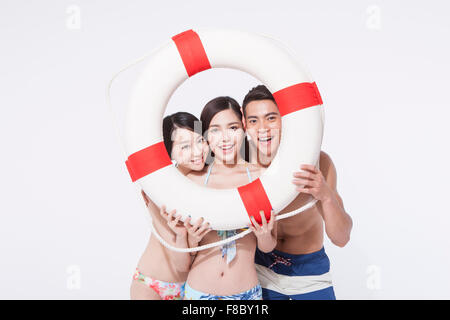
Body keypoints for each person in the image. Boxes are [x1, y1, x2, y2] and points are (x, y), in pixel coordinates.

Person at [242, 85, 353, 300]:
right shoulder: (239, 163)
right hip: (260, 267)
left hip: (308, 270)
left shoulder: (317, 161)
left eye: (271, 118)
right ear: (245, 124)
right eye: (254, 120)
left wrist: (325, 195)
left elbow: (342, 238)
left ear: (285, 120)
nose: (262, 128)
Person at [183, 96, 277, 300]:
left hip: (246, 294)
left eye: (232, 128)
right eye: (215, 130)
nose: (224, 138)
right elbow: (187, 252)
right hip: (198, 292)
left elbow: (268, 246)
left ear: (243, 129)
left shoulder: (261, 177)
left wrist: (263, 234)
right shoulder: (194, 180)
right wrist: (193, 237)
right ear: (205, 135)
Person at [130, 112, 211, 300]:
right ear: (168, 152)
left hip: (195, 288)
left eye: (200, 141)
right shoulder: (159, 188)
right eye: (185, 146)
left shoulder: (211, 180)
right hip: (153, 283)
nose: (198, 151)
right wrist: (186, 236)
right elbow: (179, 258)